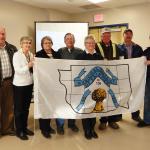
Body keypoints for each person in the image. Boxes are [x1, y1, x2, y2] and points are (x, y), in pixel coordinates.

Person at [95, 28, 122, 130]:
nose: (106, 37)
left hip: (113, 77)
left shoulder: (116, 46)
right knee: (102, 98)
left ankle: (112, 120)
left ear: (110, 36)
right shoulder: (96, 46)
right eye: (104, 35)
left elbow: (121, 59)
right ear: (101, 36)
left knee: (113, 98)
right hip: (101, 77)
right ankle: (103, 121)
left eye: (108, 35)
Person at [57, 33, 83, 135]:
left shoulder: (80, 51)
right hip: (63, 82)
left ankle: (72, 124)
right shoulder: (60, 51)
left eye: (71, 39)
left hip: (75, 83)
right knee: (62, 104)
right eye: (67, 39)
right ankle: (60, 125)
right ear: (64, 41)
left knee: (73, 103)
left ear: (74, 40)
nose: (69, 40)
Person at [77, 35, 100, 140]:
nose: (91, 45)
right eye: (88, 43)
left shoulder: (99, 56)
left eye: (92, 43)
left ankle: (92, 128)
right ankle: (86, 130)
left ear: (94, 44)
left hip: (96, 86)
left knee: (95, 108)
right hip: (85, 87)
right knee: (86, 108)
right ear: (85, 44)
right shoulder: (80, 56)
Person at [118, 29, 143, 123]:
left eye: (130, 35)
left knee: (135, 95)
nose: (128, 36)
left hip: (134, 76)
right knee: (121, 95)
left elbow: (142, 61)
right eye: (126, 34)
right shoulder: (118, 47)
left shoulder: (138, 48)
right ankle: (118, 115)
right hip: (122, 76)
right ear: (123, 36)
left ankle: (135, 115)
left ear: (132, 36)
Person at [36, 36, 58, 138]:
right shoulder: (39, 55)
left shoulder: (57, 54)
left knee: (50, 107)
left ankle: (48, 126)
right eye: (45, 43)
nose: (48, 44)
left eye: (49, 42)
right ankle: (43, 128)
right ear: (42, 44)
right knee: (44, 107)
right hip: (43, 86)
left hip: (54, 85)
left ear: (52, 43)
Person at [13, 36, 34, 140]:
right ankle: (19, 131)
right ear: (21, 44)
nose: (28, 45)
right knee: (19, 109)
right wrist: (29, 66)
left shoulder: (30, 54)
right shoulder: (16, 55)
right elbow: (18, 70)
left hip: (29, 84)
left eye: (29, 43)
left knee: (26, 108)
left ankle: (25, 128)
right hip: (19, 85)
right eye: (25, 43)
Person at [0, 26, 17, 136]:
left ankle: (7, 129)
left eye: (3, 34)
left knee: (9, 107)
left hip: (9, 82)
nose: (1, 36)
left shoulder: (12, 48)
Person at [137, 46, 150, 127]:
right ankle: (147, 120)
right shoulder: (147, 50)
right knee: (147, 100)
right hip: (148, 79)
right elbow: (140, 60)